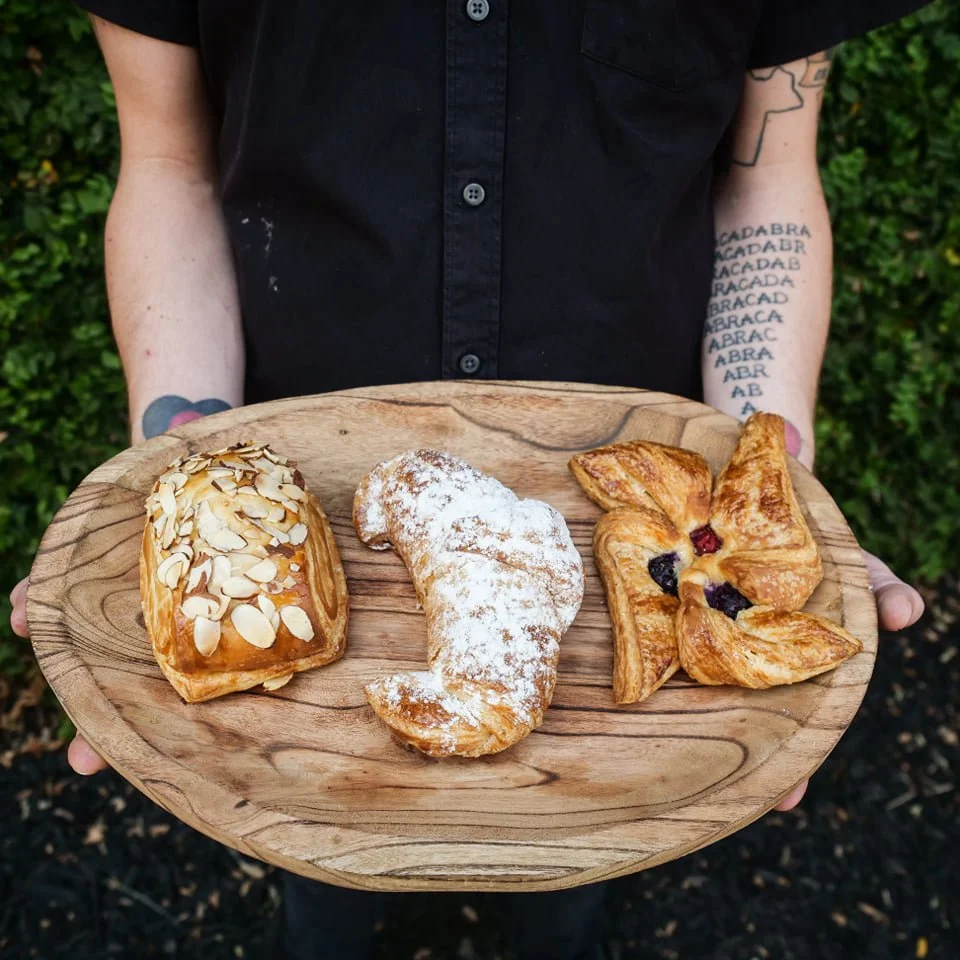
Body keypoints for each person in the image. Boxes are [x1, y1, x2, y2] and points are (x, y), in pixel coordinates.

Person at [9, 2, 930, 958]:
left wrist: (762, 508)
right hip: (308, 479)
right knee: (309, 848)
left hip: (619, 509)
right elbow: (170, 162)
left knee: (579, 864)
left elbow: (766, 175)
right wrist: (191, 504)